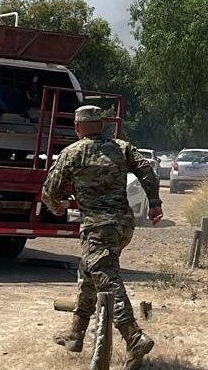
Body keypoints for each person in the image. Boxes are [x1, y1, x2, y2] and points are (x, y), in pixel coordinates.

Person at [42, 105, 163, 370]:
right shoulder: (122, 147)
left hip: (97, 228)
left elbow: (50, 190)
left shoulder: (72, 152)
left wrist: (57, 205)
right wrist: (154, 203)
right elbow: (147, 169)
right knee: (89, 273)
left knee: (107, 280)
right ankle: (75, 335)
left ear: (78, 127)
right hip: (123, 226)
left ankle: (134, 337)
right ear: (101, 124)